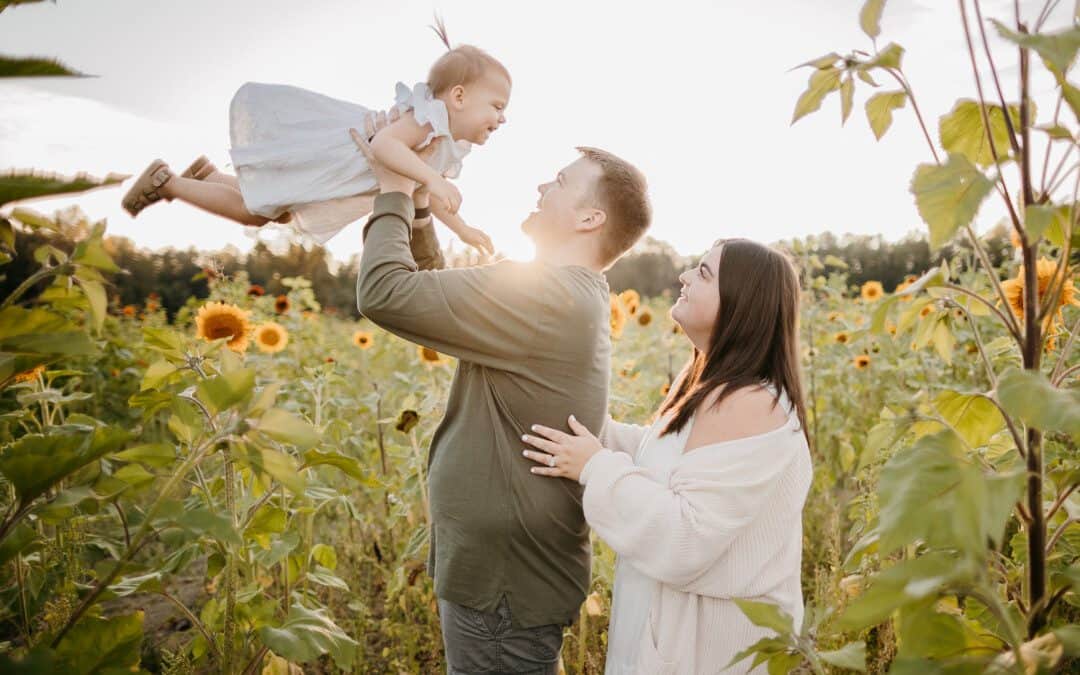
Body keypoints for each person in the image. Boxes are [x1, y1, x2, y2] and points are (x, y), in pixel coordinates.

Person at [350, 114, 652, 673]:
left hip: (503, 585)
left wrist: (391, 188)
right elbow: (438, 295)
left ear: (591, 217)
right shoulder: (558, 295)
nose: (542, 186)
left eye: (560, 182)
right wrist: (417, 207)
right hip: (506, 578)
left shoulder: (547, 296)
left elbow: (385, 292)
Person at [522, 240, 813, 674]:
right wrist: (589, 430)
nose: (684, 277)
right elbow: (665, 458)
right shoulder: (717, 384)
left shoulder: (750, 402)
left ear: (741, 304)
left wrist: (594, 465)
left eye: (704, 273)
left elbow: (687, 537)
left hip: (711, 649)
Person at [120, 22, 499, 254]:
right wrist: (432, 178)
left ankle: (207, 177)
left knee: (276, 211)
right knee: (255, 215)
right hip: (335, 159)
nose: (502, 117)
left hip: (337, 172)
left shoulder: (445, 142)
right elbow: (385, 146)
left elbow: (428, 193)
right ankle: (166, 182)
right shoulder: (428, 119)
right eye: (496, 106)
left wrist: (462, 228)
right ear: (459, 97)